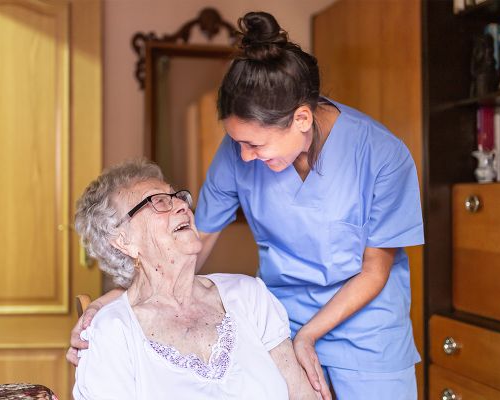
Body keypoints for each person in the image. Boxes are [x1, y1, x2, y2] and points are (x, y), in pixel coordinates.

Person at [69, 11, 424, 400]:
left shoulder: (383, 155)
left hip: (367, 336)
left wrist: (309, 335)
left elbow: (375, 270)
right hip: (279, 323)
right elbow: (191, 243)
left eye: (255, 144)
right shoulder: (237, 155)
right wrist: (113, 304)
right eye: (236, 141)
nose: (244, 155)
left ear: (301, 119)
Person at [70, 159, 320, 399]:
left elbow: (302, 394)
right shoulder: (112, 332)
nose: (181, 206)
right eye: (158, 202)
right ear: (124, 241)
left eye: (177, 197)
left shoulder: (248, 295)